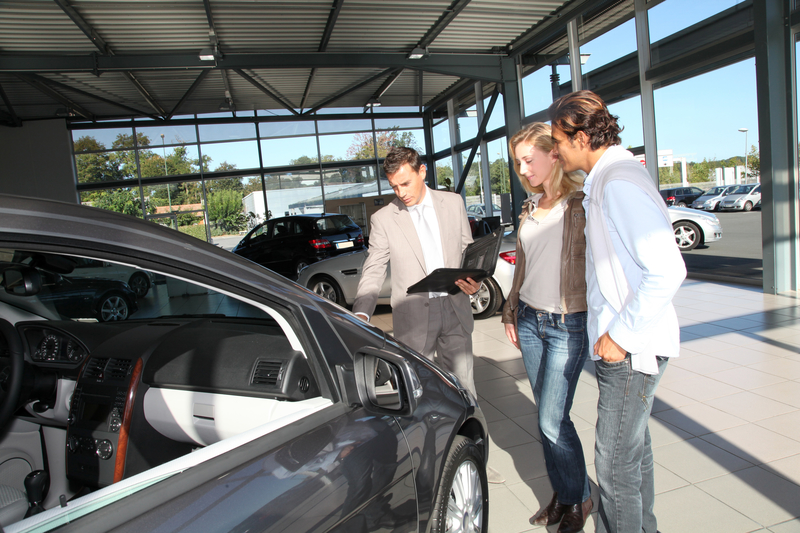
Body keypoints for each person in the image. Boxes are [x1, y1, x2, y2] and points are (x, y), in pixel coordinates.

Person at [548, 90, 686, 533]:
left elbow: (667, 269)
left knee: (613, 465)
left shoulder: (618, 182)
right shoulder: (608, 180)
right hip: (626, 345)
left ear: (581, 137)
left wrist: (621, 335)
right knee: (633, 453)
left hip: (630, 349)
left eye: (558, 141)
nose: (555, 151)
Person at [501, 122, 592, 533]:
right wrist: (510, 311)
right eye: (518, 163)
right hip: (530, 318)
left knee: (554, 420)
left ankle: (579, 498)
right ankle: (563, 494)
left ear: (553, 154)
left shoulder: (581, 203)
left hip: (566, 322)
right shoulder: (530, 206)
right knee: (546, 418)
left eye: (528, 159)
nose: (523, 169)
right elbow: (524, 266)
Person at [353, 147, 480, 397]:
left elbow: (467, 250)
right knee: (419, 393)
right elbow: (374, 268)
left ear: (422, 171)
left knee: (464, 389)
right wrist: (361, 313)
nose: (401, 193)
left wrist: (474, 281)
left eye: (405, 184)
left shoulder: (453, 203)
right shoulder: (383, 219)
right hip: (413, 316)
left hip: (455, 308)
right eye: (394, 187)